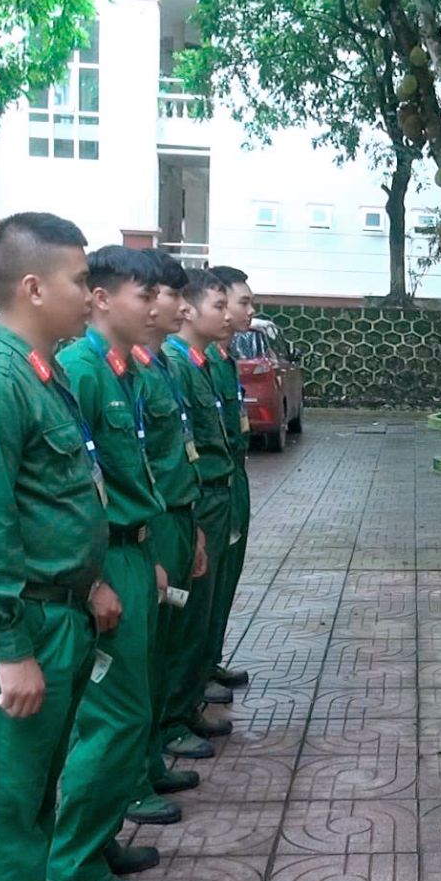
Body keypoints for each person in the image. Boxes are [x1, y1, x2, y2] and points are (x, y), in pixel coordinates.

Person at [0, 212, 109, 881]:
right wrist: (11, 650)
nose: (91, 295)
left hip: (53, 614)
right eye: (82, 281)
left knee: (33, 803)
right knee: (6, 817)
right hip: (11, 622)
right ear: (34, 288)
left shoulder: (42, 373)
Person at [47, 246, 172, 881]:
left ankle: (97, 839)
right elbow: (73, 489)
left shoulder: (119, 370)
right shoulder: (82, 370)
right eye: (143, 296)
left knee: (131, 710)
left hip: (132, 550)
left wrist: (147, 555)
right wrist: (94, 577)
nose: (157, 308)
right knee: (113, 715)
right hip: (104, 560)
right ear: (101, 298)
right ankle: (73, 863)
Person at [128, 249, 206, 819]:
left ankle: (149, 758)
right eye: (171, 295)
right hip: (144, 531)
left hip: (174, 518)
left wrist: (193, 527)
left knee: (162, 647)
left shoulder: (155, 366)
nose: (182, 307)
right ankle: (130, 780)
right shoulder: (97, 369)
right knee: (132, 667)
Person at [159, 269, 238, 758]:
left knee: (199, 610)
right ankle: (170, 719)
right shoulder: (174, 364)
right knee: (180, 618)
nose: (228, 316)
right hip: (183, 504)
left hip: (203, 498)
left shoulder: (197, 362)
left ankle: (184, 706)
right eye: (220, 306)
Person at [205, 265, 255, 701]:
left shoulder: (223, 360)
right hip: (209, 488)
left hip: (232, 477)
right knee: (204, 587)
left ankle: (208, 660)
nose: (246, 311)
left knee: (224, 579)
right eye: (242, 302)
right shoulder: (192, 363)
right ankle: (194, 676)